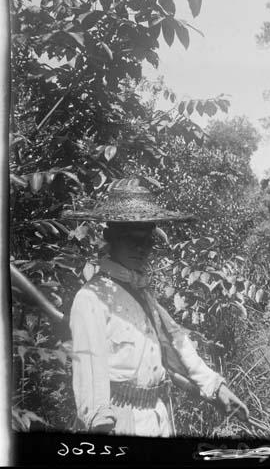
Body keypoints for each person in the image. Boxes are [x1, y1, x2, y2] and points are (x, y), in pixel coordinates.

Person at [63, 178, 248, 436]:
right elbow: (89, 369)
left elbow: (176, 342)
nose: (141, 249)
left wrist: (216, 388)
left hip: (157, 416)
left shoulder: (142, 292)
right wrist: (98, 419)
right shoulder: (92, 298)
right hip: (118, 421)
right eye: (131, 240)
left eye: (147, 241)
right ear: (111, 240)